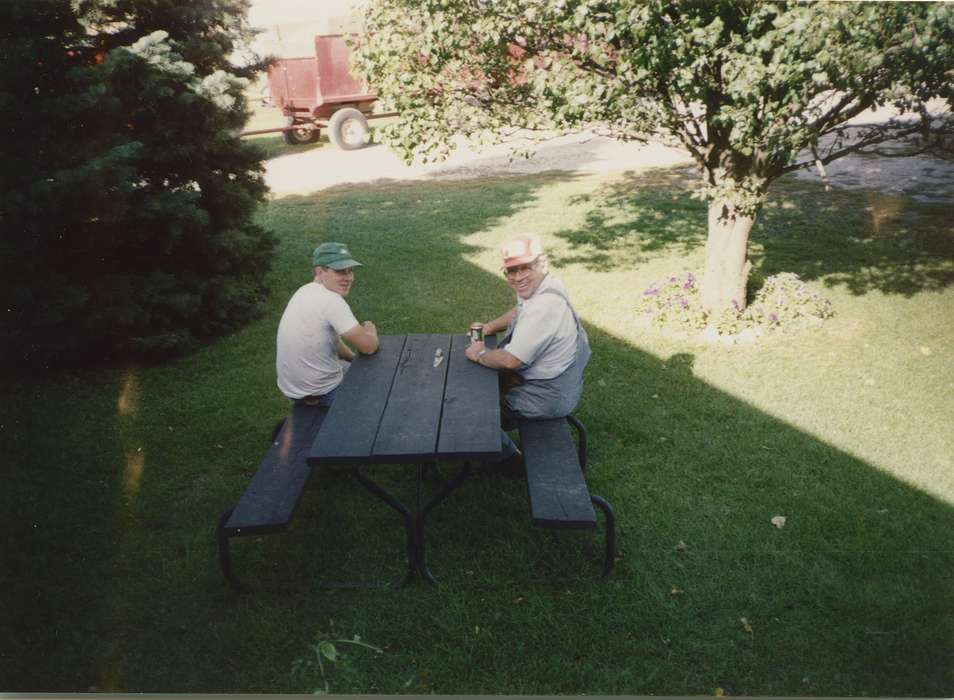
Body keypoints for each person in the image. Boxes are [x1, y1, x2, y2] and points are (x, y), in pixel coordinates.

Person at [465, 234, 591, 471]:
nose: (518, 277)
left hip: (545, 397)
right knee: (474, 393)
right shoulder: (546, 285)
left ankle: (511, 461)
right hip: (560, 386)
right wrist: (490, 327)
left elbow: (510, 360)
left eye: (525, 268)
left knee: (469, 409)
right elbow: (519, 311)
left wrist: (479, 353)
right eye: (511, 271)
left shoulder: (544, 307)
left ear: (542, 263)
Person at [276, 242, 379, 406]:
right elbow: (369, 347)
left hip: (294, 390)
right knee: (380, 389)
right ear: (320, 272)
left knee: (354, 367)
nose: (348, 278)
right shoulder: (332, 302)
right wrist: (370, 331)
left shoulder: (305, 291)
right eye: (340, 271)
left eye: (350, 271)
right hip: (324, 391)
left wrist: (352, 359)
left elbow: (333, 341)